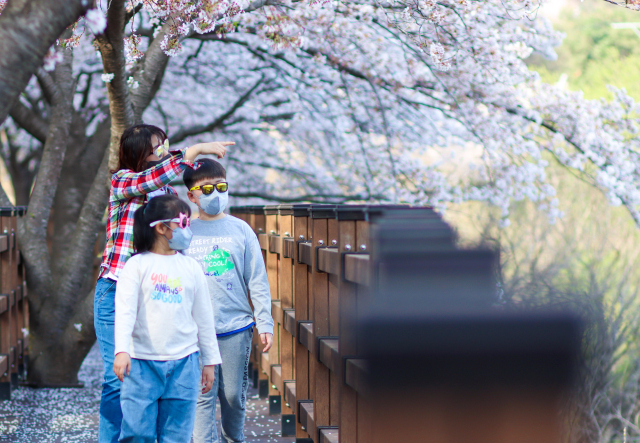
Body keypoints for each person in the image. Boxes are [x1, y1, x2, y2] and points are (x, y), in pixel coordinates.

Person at [95, 123, 233, 443]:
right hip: (117, 287)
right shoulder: (124, 181)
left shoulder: (168, 191)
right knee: (117, 379)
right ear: (138, 152)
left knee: (156, 374)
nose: (163, 149)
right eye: (157, 146)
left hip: (157, 291)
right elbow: (151, 178)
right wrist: (191, 152)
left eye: (165, 144)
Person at [113, 194, 222, 443]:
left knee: (177, 435)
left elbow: (204, 316)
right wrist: (122, 350)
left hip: (185, 364)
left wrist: (210, 361)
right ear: (161, 228)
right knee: (136, 433)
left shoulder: (191, 267)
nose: (188, 230)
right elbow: (125, 311)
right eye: (182, 223)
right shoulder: (136, 265)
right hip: (141, 363)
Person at [182, 158, 274, 443]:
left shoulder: (241, 230)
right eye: (206, 189)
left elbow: (256, 278)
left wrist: (264, 321)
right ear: (191, 196)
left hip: (235, 326)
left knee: (233, 395)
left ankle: (233, 438)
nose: (215, 194)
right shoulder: (184, 233)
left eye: (221, 187)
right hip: (196, 331)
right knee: (203, 396)